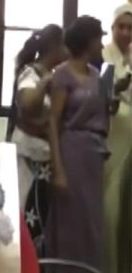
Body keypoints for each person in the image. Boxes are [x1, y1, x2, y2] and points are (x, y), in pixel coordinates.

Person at [45, 16, 109, 270]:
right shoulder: (63, 74)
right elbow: (53, 121)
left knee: (91, 220)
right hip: (71, 151)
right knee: (71, 218)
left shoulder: (96, 74)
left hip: (93, 154)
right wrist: (58, 169)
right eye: (99, 38)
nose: (102, 44)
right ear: (88, 41)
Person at [6, 24, 67, 256]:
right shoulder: (30, 73)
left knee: (41, 219)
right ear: (55, 47)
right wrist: (44, 83)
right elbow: (27, 105)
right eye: (65, 46)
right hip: (27, 159)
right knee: (24, 214)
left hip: (44, 161)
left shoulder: (57, 74)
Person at [103, 3, 132, 273]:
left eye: (130, 28)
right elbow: (99, 97)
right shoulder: (102, 56)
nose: (125, 32)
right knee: (110, 205)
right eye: (120, 27)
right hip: (111, 136)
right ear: (112, 28)